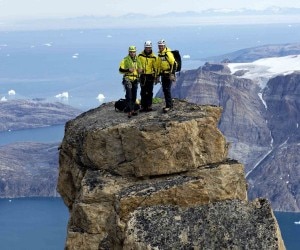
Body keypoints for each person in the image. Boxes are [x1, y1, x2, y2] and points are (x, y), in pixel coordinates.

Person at [119, 45, 143, 118]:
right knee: (129, 95)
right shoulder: (125, 60)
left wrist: (140, 71)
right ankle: (129, 111)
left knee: (134, 96)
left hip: (135, 79)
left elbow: (140, 69)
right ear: (129, 52)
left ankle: (132, 110)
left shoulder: (138, 60)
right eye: (131, 52)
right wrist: (128, 70)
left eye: (133, 52)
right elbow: (120, 70)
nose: (132, 53)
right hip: (128, 79)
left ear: (135, 52)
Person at [157, 39, 177, 113]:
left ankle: (169, 106)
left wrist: (172, 74)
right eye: (159, 46)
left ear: (164, 46)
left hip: (169, 74)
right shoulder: (160, 54)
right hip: (163, 74)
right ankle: (168, 104)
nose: (160, 47)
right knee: (165, 90)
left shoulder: (167, 53)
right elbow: (159, 65)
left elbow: (174, 63)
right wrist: (158, 75)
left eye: (161, 46)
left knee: (167, 89)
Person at [138, 41, 158, 112]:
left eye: (149, 47)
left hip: (150, 76)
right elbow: (137, 64)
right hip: (142, 75)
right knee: (143, 91)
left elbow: (156, 68)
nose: (148, 49)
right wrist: (138, 70)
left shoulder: (154, 57)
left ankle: (149, 106)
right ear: (145, 47)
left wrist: (156, 77)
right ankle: (143, 106)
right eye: (147, 47)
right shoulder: (140, 55)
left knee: (149, 91)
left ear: (151, 47)